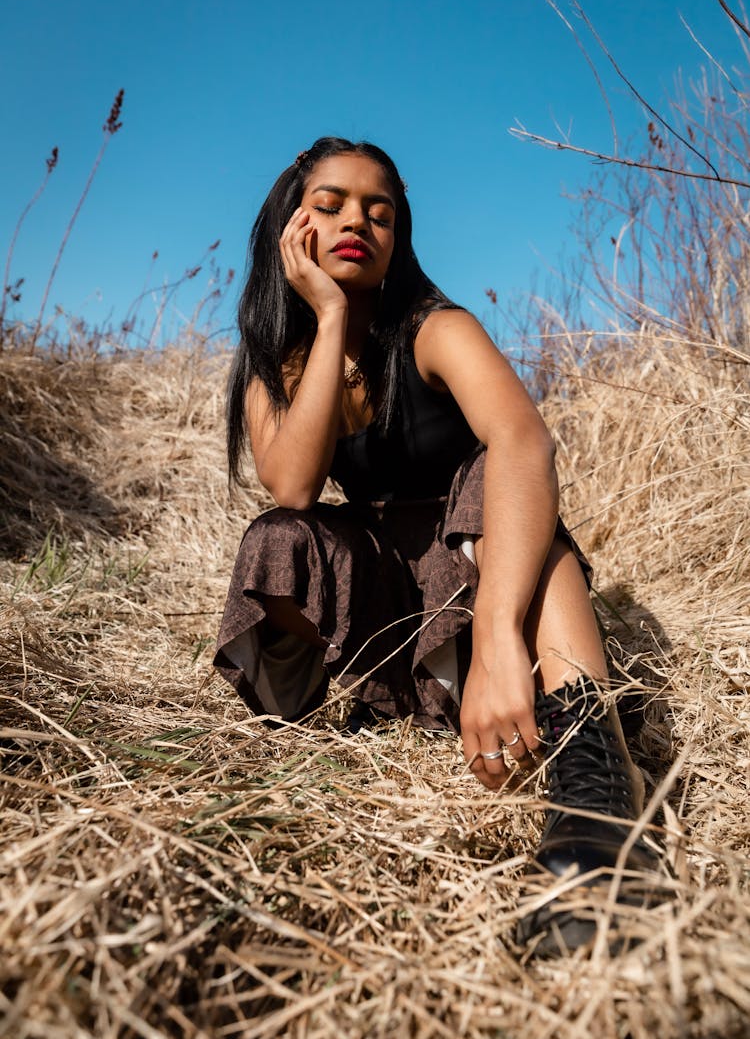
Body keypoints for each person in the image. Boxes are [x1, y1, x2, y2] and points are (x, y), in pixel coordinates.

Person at [215, 136, 659, 956]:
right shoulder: (274, 361)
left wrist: (495, 634)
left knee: (492, 479)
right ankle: (353, 708)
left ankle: (598, 802)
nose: (358, 222)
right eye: (333, 203)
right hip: (381, 618)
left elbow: (525, 442)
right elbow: (296, 487)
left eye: (380, 212)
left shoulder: (435, 328)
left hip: (483, 580)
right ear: (289, 225)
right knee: (278, 539)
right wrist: (331, 315)